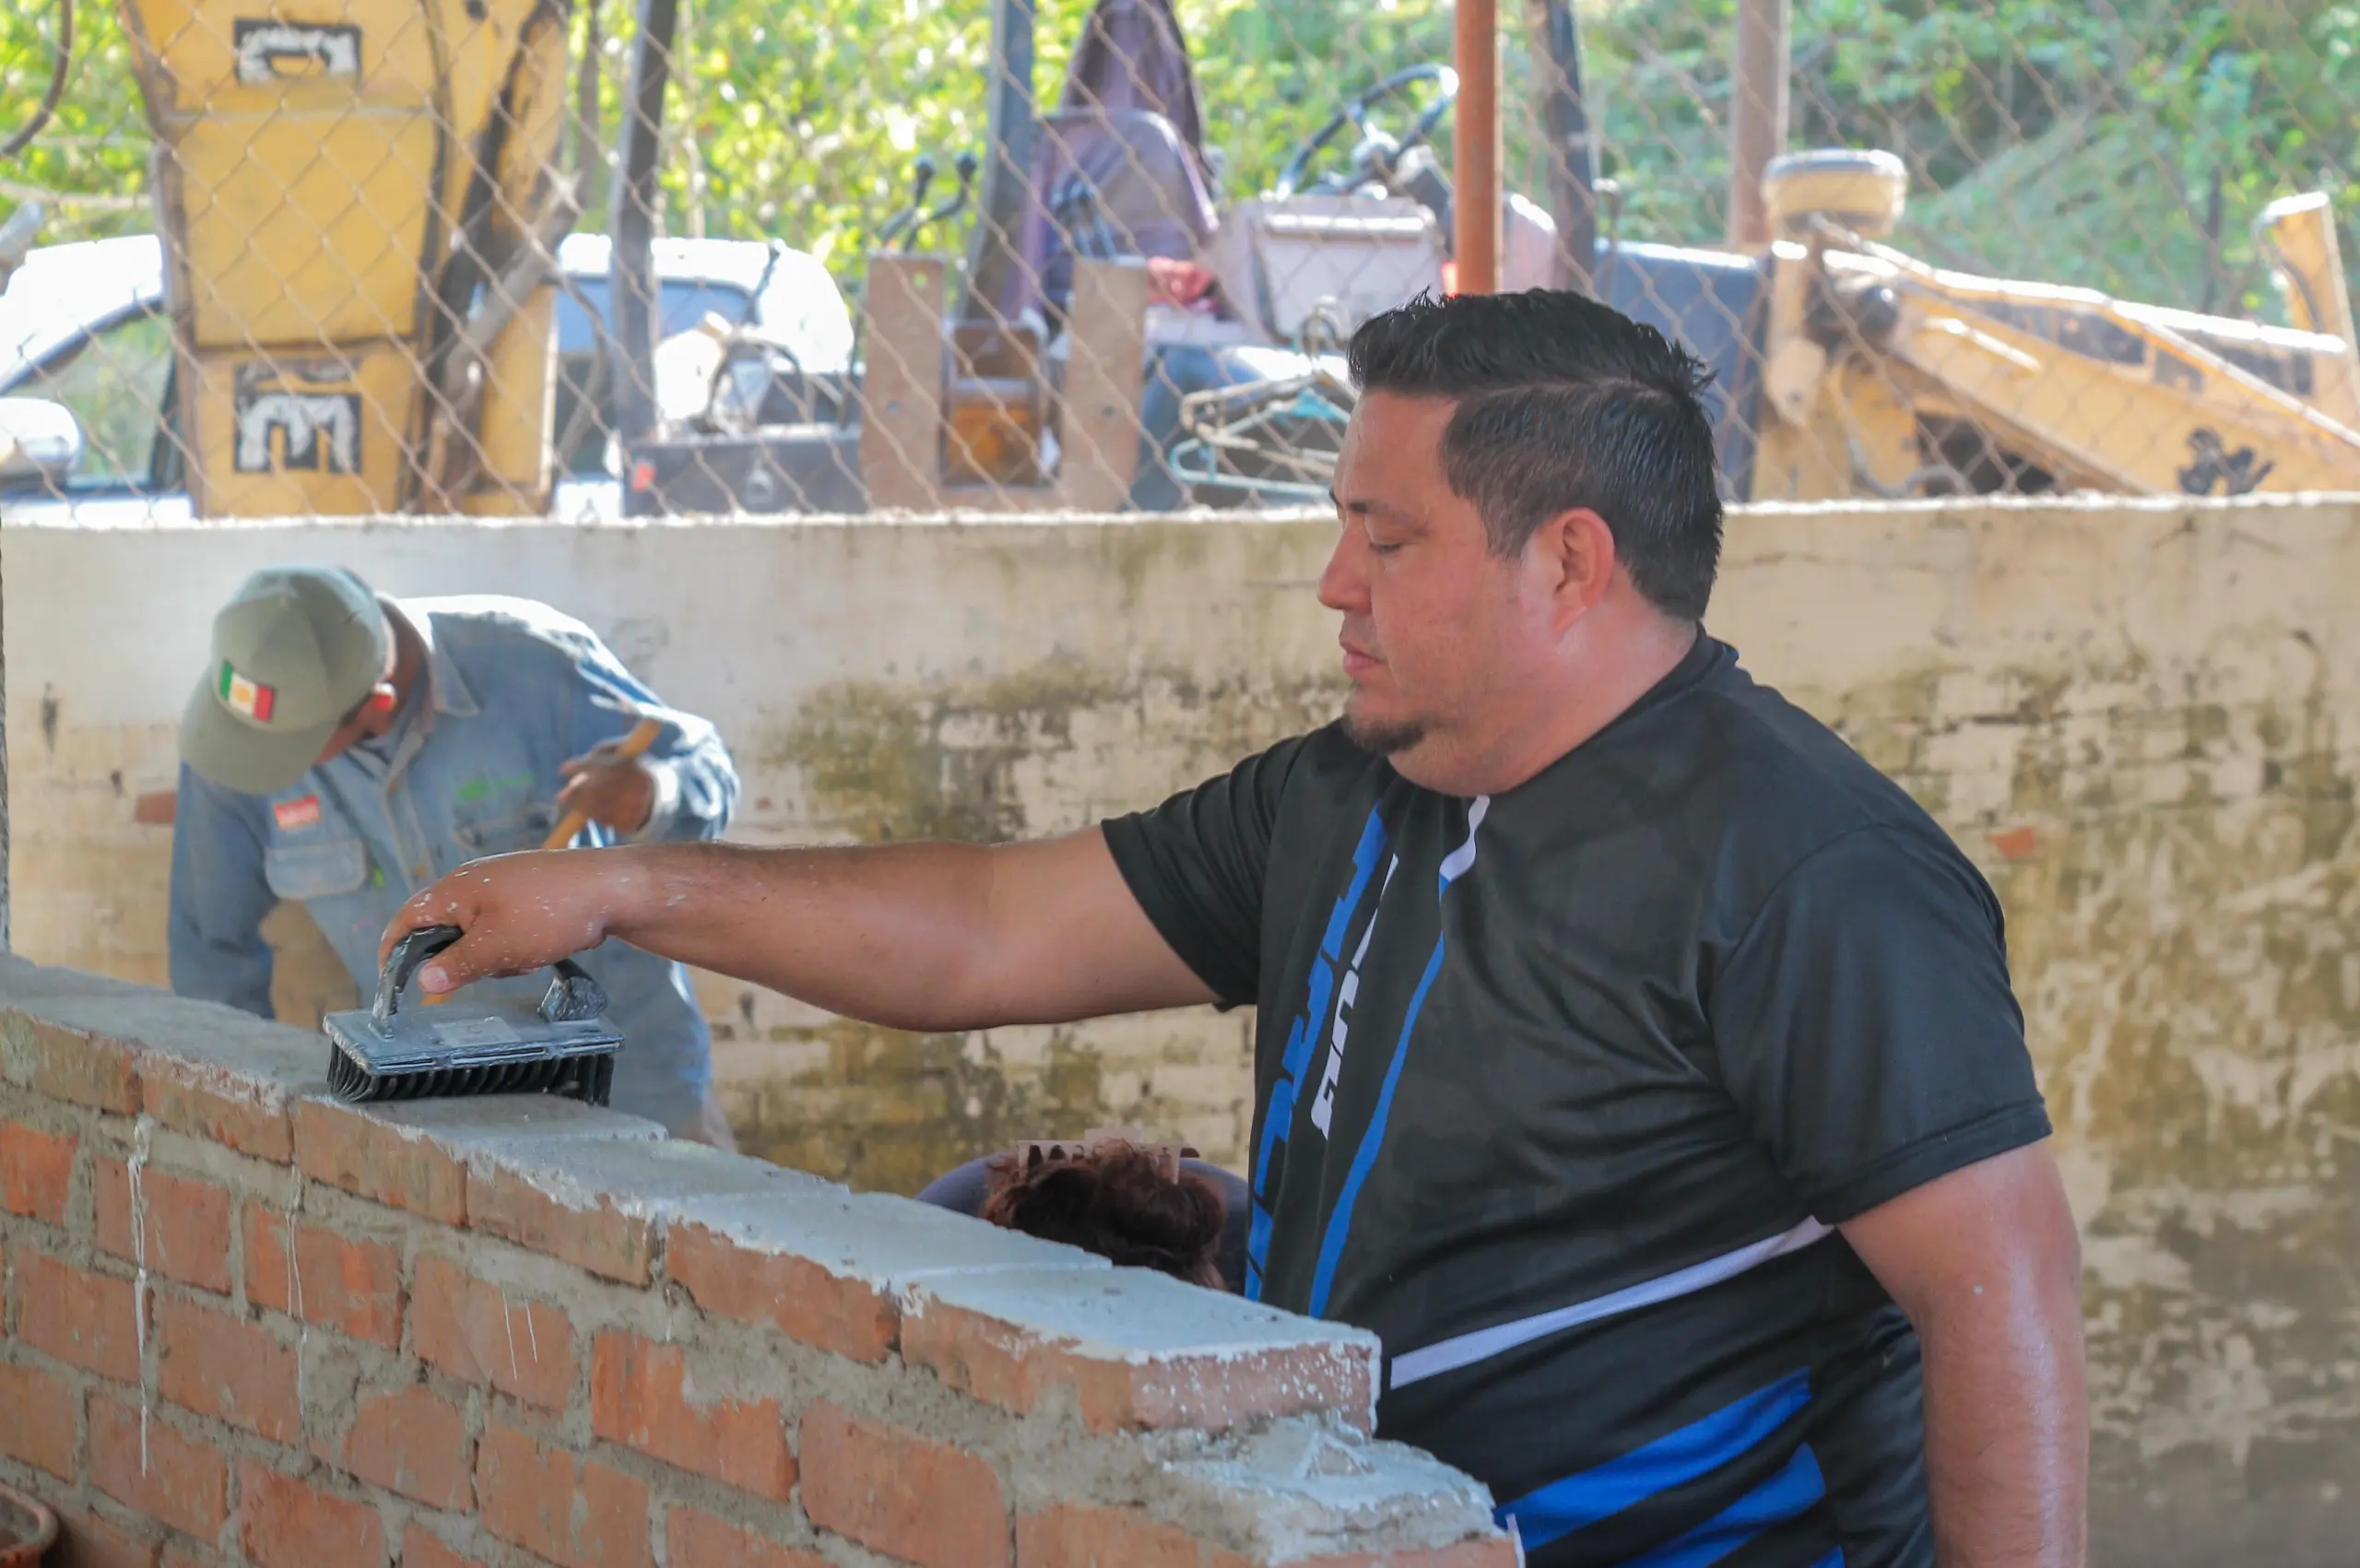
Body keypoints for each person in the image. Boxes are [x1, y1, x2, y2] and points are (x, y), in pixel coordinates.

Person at [381, 291, 2089, 1568]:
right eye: (1340, 525)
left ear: (1569, 563)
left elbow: (2000, 1294)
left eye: (1386, 535)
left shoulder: (1810, 873)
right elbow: (988, 933)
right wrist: (625, 888)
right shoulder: (1349, 796)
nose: (1335, 582)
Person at [170, 566, 740, 1145]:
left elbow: (709, 771)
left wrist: (652, 794)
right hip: (439, 1116)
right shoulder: (239, 741)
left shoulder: (535, 663)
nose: (263, 767)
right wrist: (239, 1111)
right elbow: (209, 952)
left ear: (378, 703)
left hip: (632, 1086)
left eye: (293, 750)